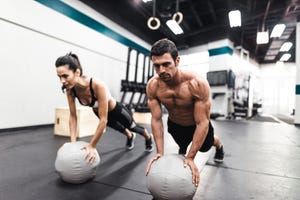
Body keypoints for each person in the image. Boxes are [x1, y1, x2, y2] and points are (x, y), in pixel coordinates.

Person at [145, 39, 224, 187]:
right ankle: (184, 146)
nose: (161, 70)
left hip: (196, 124)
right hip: (175, 124)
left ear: (177, 60)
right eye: (157, 66)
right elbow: (156, 120)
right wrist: (160, 153)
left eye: (166, 64)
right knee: (182, 144)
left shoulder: (196, 83)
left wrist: (191, 158)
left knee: (207, 145)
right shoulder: (153, 86)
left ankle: (219, 146)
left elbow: (202, 122)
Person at [55, 52, 153, 163]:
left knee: (133, 127)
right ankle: (130, 136)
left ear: (77, 72)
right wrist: (72, 144)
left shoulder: (97, 85)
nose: (62, 81)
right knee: (119, 129)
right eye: (59, 77)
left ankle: (148, 137)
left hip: (117, 110)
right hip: (99, 112)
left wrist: (92, 146)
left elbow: (103, 119)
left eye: (65, 76)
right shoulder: (70, 90)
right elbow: (73, 116)